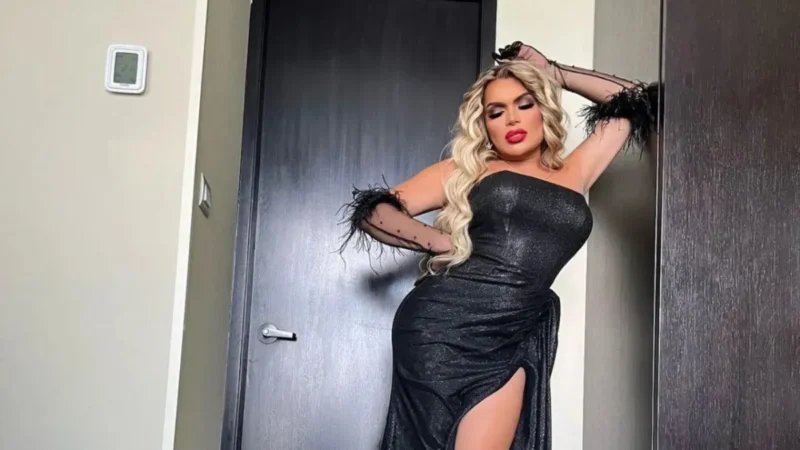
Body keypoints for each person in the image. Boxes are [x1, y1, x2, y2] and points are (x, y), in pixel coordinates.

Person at [339, 42, 657, 450]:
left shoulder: (576, 170)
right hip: (443, 326)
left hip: (515, 332)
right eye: (496, 111)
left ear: (544, 109)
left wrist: (552, 71)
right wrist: (442, 242)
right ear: (484, 124)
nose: (512, 119)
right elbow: (374, 211)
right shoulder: (469, 170)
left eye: (525, 104)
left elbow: (635, 100)